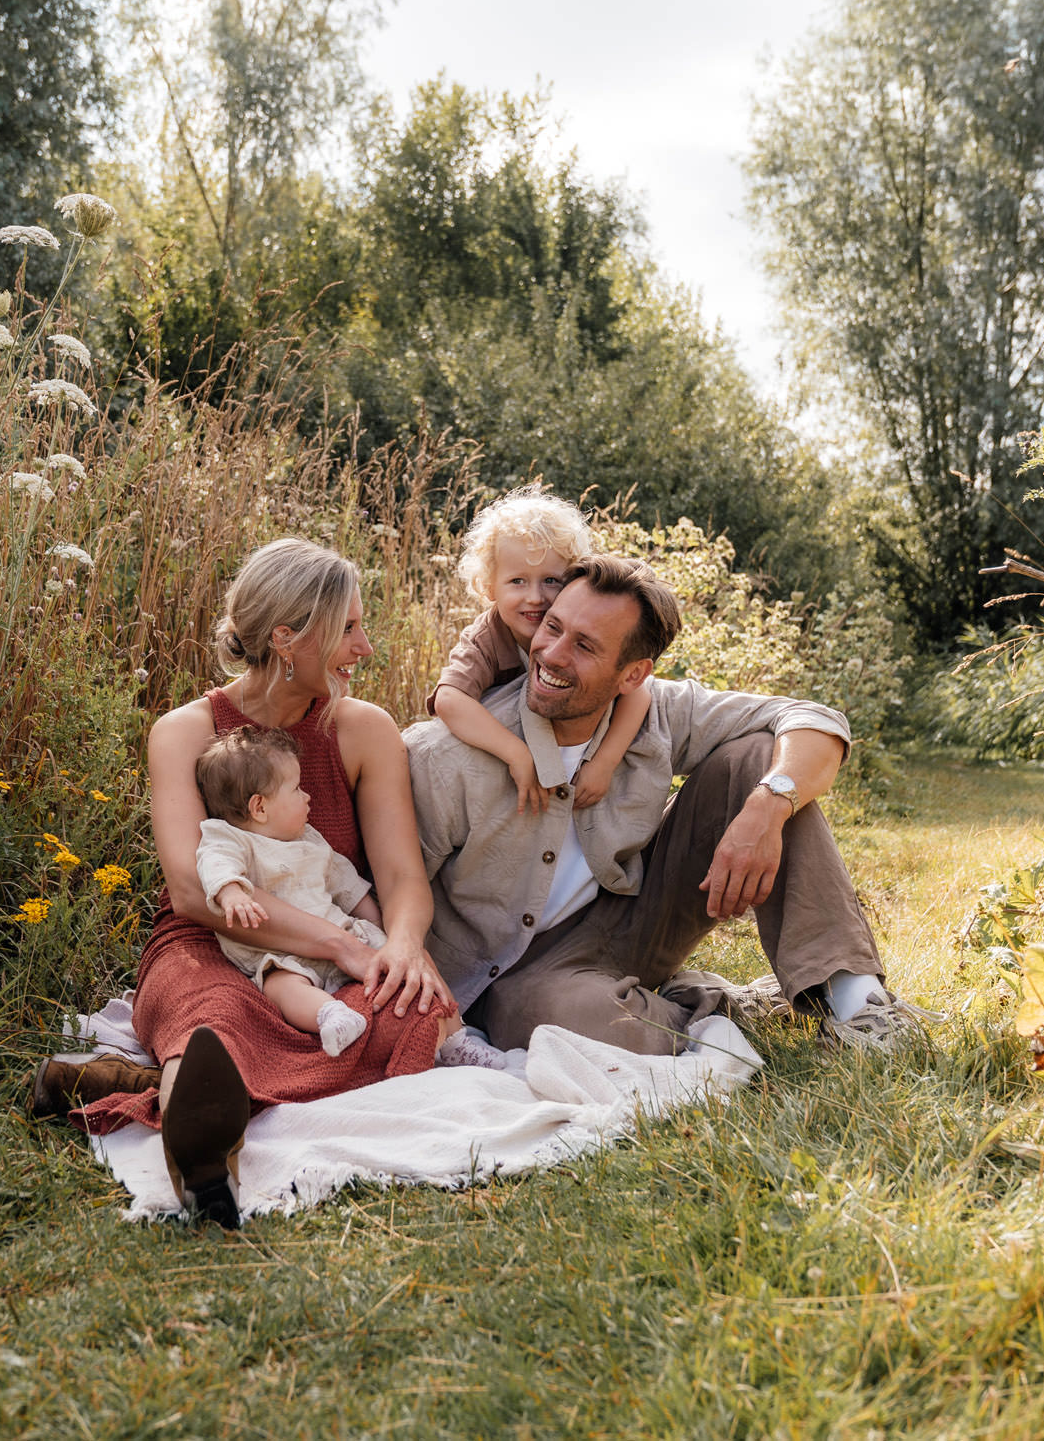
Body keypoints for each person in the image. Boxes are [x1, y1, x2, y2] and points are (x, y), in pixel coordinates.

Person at [41, 538, 477, 1229]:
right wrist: (342, 945)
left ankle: (140, 1084)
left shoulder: (365, 730)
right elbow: (192, 891)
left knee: (405, 1010)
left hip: (331, 947)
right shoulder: (184, 731)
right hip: (210, 939)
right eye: (349, 629)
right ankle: (207, 1161)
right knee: (214, 1015)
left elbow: (400, 877)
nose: (365, 647)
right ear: (285, 638)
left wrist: (398, 945)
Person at [407, 554, 932, 1057]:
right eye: (552, 627)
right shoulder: (449, 755)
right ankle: (715, 1011)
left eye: (585, 646)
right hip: (515, 971)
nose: (552, 654)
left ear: (633, 675)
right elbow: (387, 896)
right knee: (555, 1018)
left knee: (759, 758)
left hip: (632, 915)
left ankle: (859, 1006)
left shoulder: (658, 710)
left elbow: (815, 720)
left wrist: (767, 806)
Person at [430, 486, 652, 818]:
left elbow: (640, 691)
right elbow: (448, 698)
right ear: (489, 586)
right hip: (499, 776)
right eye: (517, 581)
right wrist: (515, 753)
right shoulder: (487, 637)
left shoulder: (584, 627)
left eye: (551, 580)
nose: (535, 597)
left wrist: (606, 761)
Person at [193, 726, 383, 1057]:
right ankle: (330, 1015)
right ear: (259, 808)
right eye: (296, 789)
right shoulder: (230, 837)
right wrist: (232, 893)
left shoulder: (309, 839)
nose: (307, 796)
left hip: (345, 936)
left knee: (401, 962)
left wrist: (380, 930)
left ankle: (457, 1037)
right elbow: (215, 862)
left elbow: (347, 886)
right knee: (280, 985)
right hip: (283, 953)